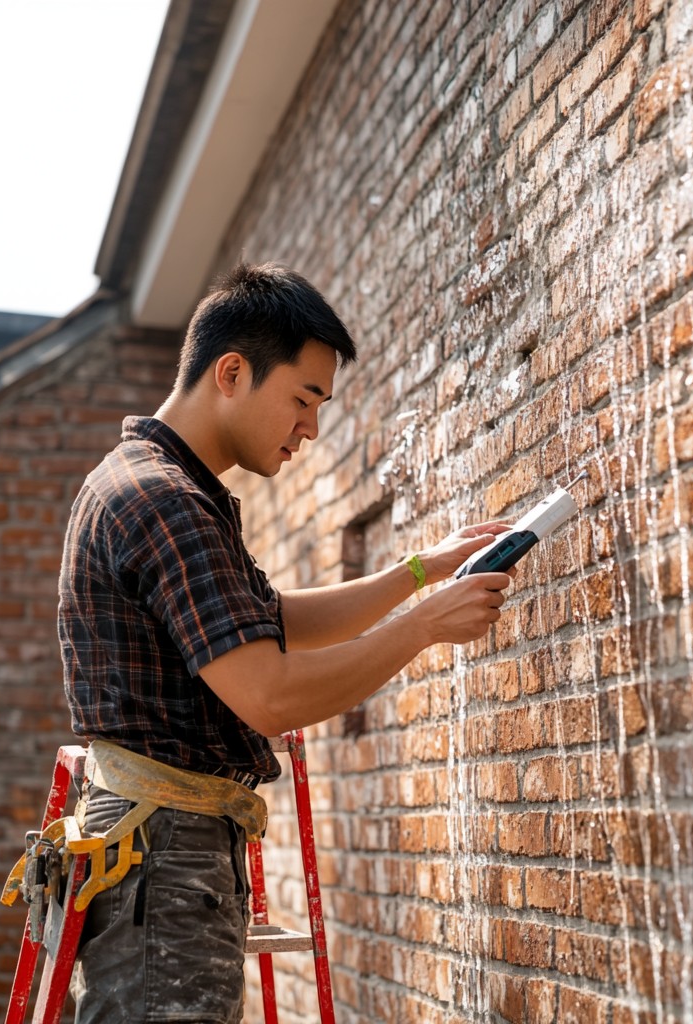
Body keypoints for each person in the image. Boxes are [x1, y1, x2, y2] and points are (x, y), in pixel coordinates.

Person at [57, 260, 512, 1022]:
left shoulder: (163, 485)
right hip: (163, 860)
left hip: (162, 853)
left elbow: (274, 619)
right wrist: (425, 629)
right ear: (231, 372)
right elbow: (268, 694)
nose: (310, 427)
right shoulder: (165, 502)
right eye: (303, 398)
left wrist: (421, 572)